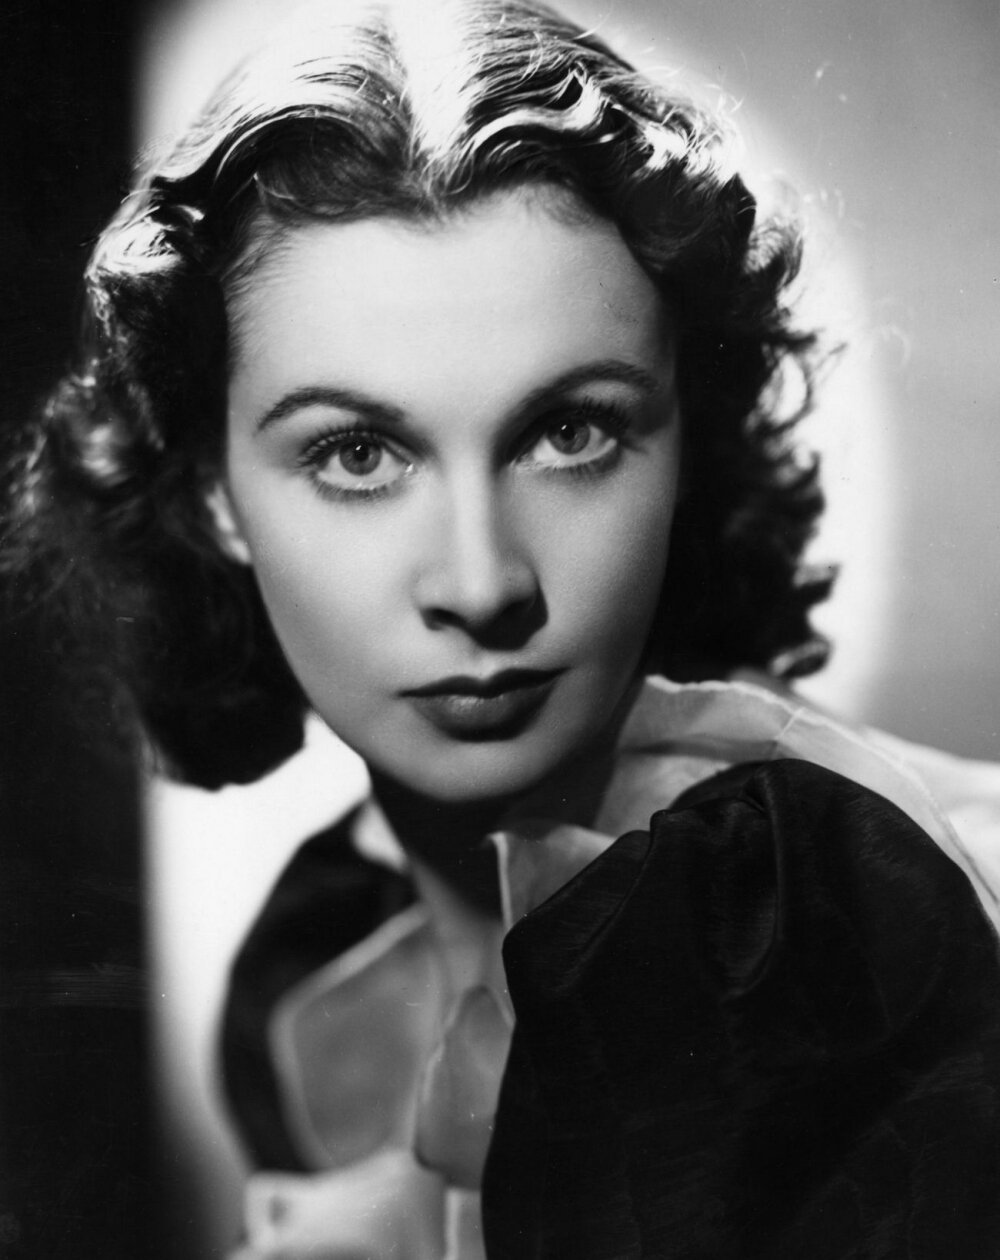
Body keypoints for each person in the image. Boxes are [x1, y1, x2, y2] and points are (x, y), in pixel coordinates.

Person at [4, 0, 1000, 1255]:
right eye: (356, 453)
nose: (480, 584)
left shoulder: (884, 913)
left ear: (687, 440)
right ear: (212, 490)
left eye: (569, 432)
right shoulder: (315, 988)